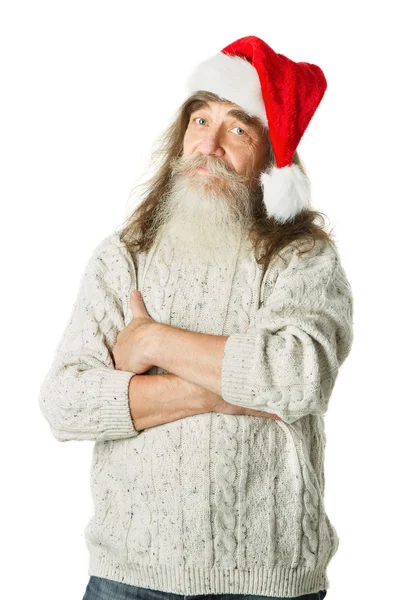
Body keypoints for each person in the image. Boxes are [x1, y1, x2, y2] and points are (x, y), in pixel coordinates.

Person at [38, 35, 354, 600]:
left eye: (238, 128)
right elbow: (64, 402)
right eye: (199, 120)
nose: (209, 144)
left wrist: (152, 341)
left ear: (272, 157)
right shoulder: (124, 255)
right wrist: (224, 390)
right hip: (126, 578)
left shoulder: (301, 258)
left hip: (266, 582)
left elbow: (297, 375)